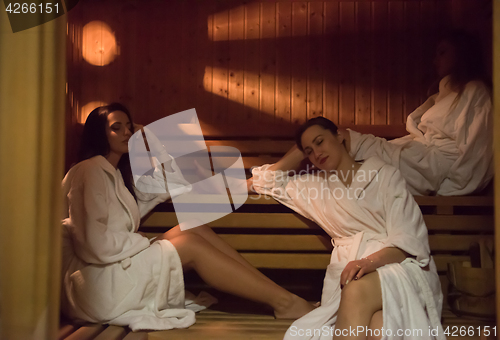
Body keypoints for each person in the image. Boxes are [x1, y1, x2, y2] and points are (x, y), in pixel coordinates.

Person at [60, 103, 314, 331]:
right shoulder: (88, 171)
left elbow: (174, 182)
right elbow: (92, 244)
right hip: (97, 284)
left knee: (193, 229)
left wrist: (149, 139)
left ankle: (281, 296)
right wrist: (141, 241)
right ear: (98, 133)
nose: (127, 132)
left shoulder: (116, 175)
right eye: (117, 128)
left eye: (129, 127)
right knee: (190, 245)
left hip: (114, 265)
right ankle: (284, 302)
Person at [251, 117, 445, 340]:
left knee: (356, 289)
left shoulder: (385, 175)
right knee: (381, 327)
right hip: (355, 275)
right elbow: (267, 182)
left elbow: (408, 240)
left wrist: (367, 262)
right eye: (309, 151)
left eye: (320, 141)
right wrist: (299, 150)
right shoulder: (315, 187)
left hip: (400, 266)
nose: (317, 153)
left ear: (340, 136)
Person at [340, 30, 493, 196]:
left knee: (352, 145)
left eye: (442, 52)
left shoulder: (476, 92)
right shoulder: (442, 96)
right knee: (344, 143)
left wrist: (448, 190)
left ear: (463, 53)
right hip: (421, 159)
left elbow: (478, 152)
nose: (435, 61)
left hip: (433, 168)